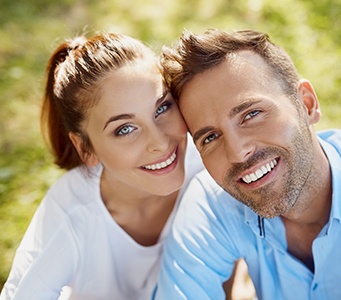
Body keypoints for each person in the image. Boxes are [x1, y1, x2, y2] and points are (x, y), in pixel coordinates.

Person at [153, 28, 341, 299]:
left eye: (252, 114)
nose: (237, 152)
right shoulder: (214, 205)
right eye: (210, 137)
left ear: (307, 104)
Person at [0, 32, 206, 300]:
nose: (160, 143)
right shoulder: (70, 213)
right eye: (125, 129)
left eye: (161, 108)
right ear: (86, 147)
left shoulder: (205, 166)